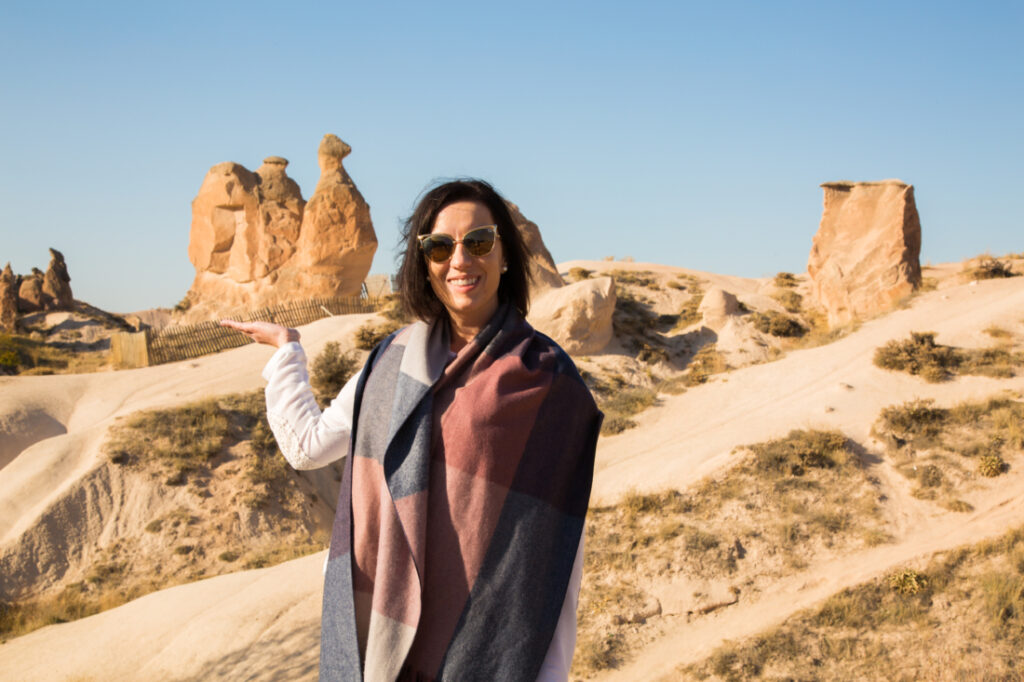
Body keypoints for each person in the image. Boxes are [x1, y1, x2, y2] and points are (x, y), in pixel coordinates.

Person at [222, 179, 601, 682]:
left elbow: (553, 553)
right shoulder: (391, 363)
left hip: (485, 649)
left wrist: (549, 673)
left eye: (479, 242)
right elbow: (307, 446)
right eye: (441, 246)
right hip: (381, 638)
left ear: (505, 255)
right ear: (424, 262)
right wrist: (289, 352)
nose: (460, 260)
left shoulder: (548, 382)